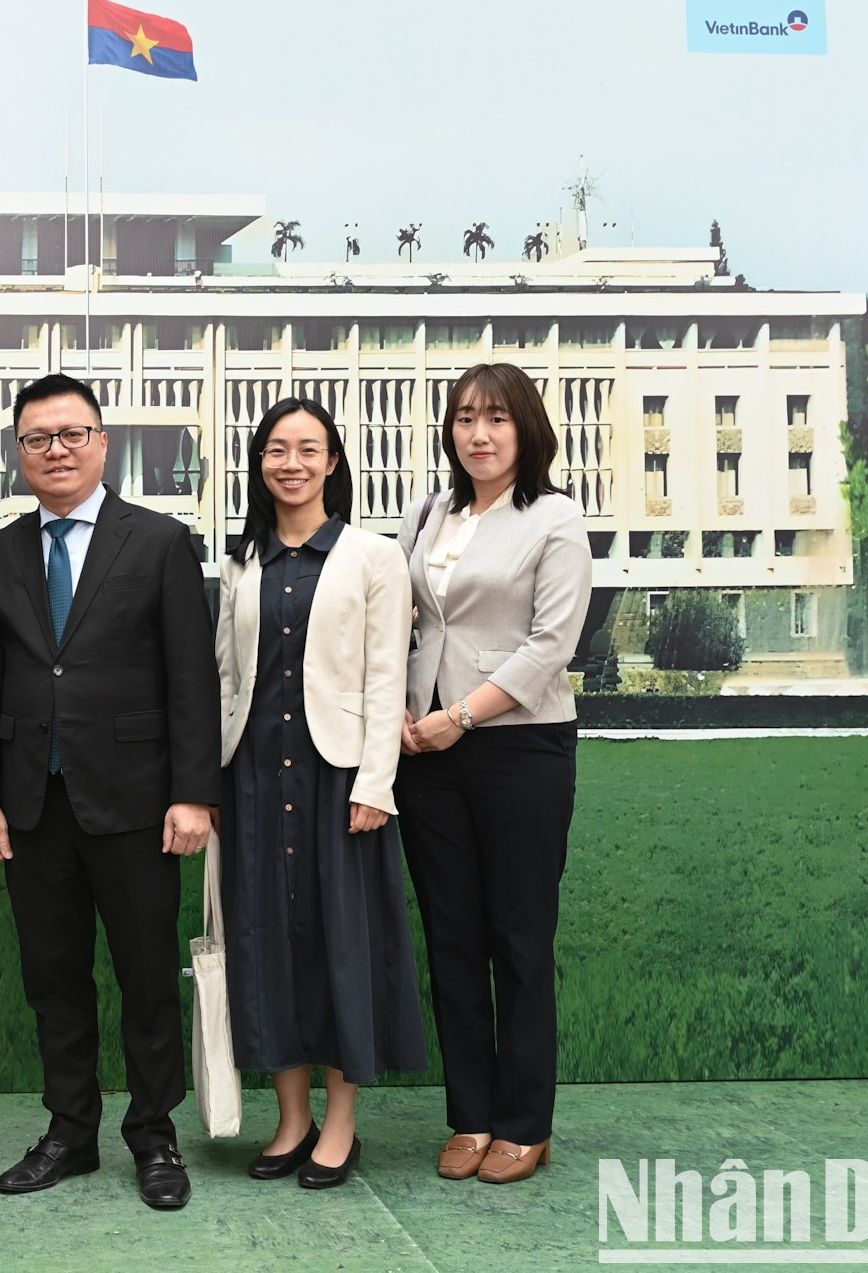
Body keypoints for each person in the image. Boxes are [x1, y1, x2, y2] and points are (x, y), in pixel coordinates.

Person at [0, 373, 221, 1212]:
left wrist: (193, 793)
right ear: (19, 453)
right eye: (38, 438)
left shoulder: (157, 542)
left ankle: (154, 1134)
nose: (57, 450)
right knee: (54, 978)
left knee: (145, 977)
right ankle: (70, 1130)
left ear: (103, 443)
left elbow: (191, 676)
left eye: (73, 434)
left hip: (140, 805)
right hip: (34, 807)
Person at [214, 398, 425, 1189]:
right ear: (259, 463)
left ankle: (341, 1124)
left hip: (340, 778)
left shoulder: (373, 556)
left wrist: (376, 781)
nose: (291, 463)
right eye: (276, 449)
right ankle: (291, 1119)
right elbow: (228, 678)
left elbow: (384, 675)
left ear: (333, 461)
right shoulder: (241, 561)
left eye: (308, 449)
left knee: (343, 941)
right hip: (255, 777)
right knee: (265, 942)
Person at [394, 361, 592, 1185]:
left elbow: (552, 644)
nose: (478, 433)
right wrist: (403, 714)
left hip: (516, 747)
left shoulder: (553, 517)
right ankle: (470, 1115)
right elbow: (399, 620)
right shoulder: (425, 513)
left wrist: (462, 714)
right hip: (425, 756)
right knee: (451, 938)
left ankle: (524, 1120)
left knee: (516, 938)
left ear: (527, 431)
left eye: (497, 419)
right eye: (465, 418)